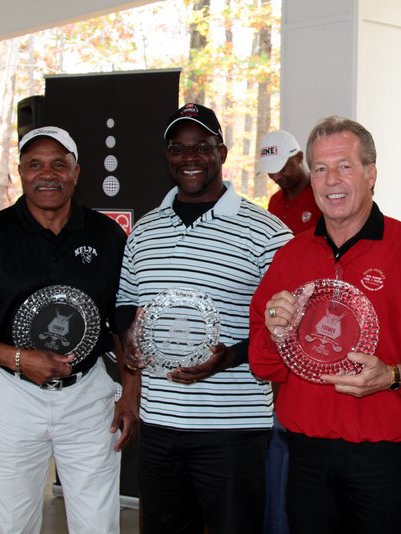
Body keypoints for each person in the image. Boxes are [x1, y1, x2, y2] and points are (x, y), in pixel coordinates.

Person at [249, 116, 401, 533]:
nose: (333, 180)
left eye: (345, 165)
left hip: (384, 457)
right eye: (322, 168)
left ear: (370, 174)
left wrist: (395, 374)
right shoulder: (291, 257)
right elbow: (261, 359)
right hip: (307, 455)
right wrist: (275, 329)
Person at [0, 126, 136, 534]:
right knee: (14, 523)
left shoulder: (106, 235)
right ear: (20, 172)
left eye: (58, 164)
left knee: (99, 524)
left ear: (76, 172)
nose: (46, 174)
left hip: (88, 397)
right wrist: (19, 359)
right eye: (35, 165)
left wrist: (130, 394)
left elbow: (122, 320)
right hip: (13, 396)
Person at [115, 103, 292, 534]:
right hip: (159, 423)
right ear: (167, 155)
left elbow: (289, 330)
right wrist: (126, 340)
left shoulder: (268, 233)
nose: (189, 158)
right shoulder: (145, 229)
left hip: (231, 428)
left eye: (201, 147)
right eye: (178, 148)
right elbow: (124, 302)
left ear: (222, 152)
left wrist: (229, 357)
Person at [257, 129, 322, 234]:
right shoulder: (274, 202)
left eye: (281, 169)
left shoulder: (322, 197)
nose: (276, 177)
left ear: (299, 157)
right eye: (271, 171)